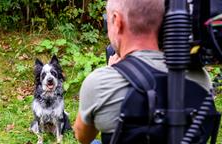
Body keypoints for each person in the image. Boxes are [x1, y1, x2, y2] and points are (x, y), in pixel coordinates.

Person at [73, 0, 212, 144]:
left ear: (117, 20)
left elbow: (83, 136)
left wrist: (111, 69)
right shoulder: (201, 79)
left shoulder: (100, 83)